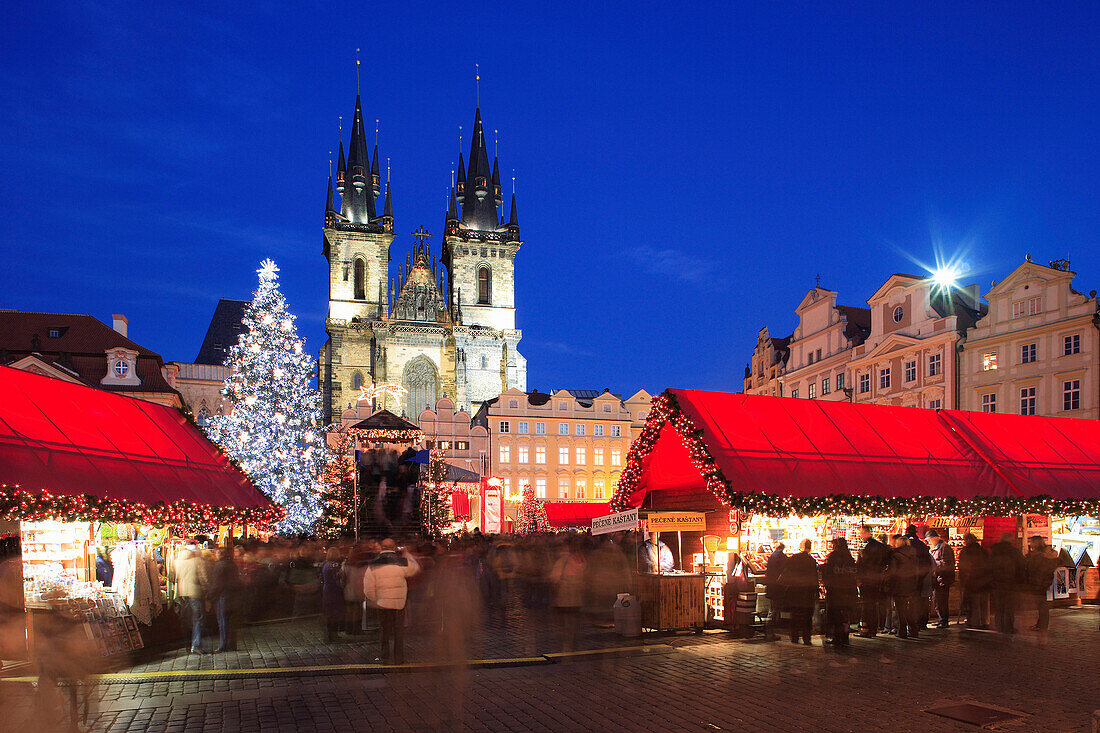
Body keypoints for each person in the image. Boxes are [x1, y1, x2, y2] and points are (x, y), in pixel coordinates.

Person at [363, 539, 421, 664]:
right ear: (394, 548)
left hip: (382, 602)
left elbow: (368, 586)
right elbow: (415, 568)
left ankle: (384, 656)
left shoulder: (374, 564)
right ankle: (398, 657)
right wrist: (406, 553)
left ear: (382, 548)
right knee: (398, 630)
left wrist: (374, 598)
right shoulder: (401, 561)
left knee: (384, 630)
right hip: (399, 602)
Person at [170, 541, 208, 654]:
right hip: (195, 593)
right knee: (198, 619)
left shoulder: (177, 561)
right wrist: (207, 590)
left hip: (182, 593)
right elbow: (204, 577)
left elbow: (173, 576)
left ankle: (186, 644)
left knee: (186, 619)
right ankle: (196, 644)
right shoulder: (197, 561)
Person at [778, 539, 818, 646]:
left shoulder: (794, 558)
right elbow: (815, 578)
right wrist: (816, 593)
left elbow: (785, 572)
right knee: (807, 616)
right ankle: (806, 638)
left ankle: (794, 637)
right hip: (808, 592)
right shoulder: (812, 561)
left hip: (795, 591)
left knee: (795, 615)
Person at [822, 537, 858, 647]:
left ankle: (836, 637)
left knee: (835, 615)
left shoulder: (832, 557)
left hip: (835, 591)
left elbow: (826, 573)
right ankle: (844, 637)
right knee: (845, 616)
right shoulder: (849, 558)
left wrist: (826, 586)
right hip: (848, 591)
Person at [856, 527, 889, 638]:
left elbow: (861, 564)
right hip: (877, 580)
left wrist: (859, 579)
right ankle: (873, 629)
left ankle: (866, 629)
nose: (860, 535)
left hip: (867, 581)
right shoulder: (881, 547)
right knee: (874, 605)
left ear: (867, 533)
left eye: (861, 533)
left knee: (867, 605)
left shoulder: (866, 547)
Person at [208, 546, 241, 652]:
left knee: (222, 621)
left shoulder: (219, 566)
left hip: (223, 596)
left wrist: (210, 596)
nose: (215, 555)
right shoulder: (232, 564)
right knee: (231, 622)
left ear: (220, 554)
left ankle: (223, 645)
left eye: (217, 553)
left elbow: (217, 584)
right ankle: (232, 644)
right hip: (233, 595)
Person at [990, 533, 1024, 634]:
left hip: (997, 584)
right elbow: (1021, 567)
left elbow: (989, 567)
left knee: (999, 607)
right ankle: (1008, 627)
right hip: (1010, 584)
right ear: (1011, 541)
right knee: (1009, 607)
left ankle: (999, 626)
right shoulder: (1014, 552)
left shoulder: (994, 552)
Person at [956, 533, 992, 629]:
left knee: (974, 602)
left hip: (973, 580)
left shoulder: (966, 551)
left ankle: (975, 621)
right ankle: (985, 620)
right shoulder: (983, 550)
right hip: (984, 580)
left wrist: (963, 578)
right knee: (984, 602)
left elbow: (963, 566)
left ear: (967, 540)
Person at [888, 534, 920, 639]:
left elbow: (892, 572)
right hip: (910, 584)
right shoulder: (913, 555)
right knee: (907, 608)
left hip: (899, 584)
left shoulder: (896, 556)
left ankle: (902, 630)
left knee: (900, 609)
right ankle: (913, 629)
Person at [1024, 535, 1059, 633]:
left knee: (1042, 605)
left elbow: (1040, 569)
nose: (1030, 544)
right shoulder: (1041, 554)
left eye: (1032, 542)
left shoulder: (1041, 555)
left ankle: (1042, 625)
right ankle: (1041, 624)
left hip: (1039, 582)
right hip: (1040, 582)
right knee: (1041, 604)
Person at [925, 530, 955, 628]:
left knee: (941, 601)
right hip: (938, 579)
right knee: (937, 600)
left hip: (942, 579)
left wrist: (935, 568)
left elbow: (947, 564)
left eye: (929, 540)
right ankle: (941, 619)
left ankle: (943, 621)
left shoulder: (944, 548)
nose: (929, 542)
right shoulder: (937, 548)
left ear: (935, 538)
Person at [907, 525, 934, 630]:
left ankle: (912, 623)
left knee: (912, 602)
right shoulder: (922, 545)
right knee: (922, 601)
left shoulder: (906, 544)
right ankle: (921, 622)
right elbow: (928, 562)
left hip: (911, 578)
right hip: (922, 577)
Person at [762, 543, 787, 641]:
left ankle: (769, 631)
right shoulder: (782, 557)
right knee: (774, 610)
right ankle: (769, 632)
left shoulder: (772, 556)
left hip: (771, 587)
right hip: (777, 588)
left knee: (772, 609)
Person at [320, 547, 346, 642]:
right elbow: (339, 577)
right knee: (334, 614)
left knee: (328, 614)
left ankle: (328, 635)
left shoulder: (325, 564)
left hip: (327, 590)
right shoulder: (335, 565)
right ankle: (333, 635)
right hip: (335, 590)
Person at [724, 552, 751, 637]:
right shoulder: (739, 565)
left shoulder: (738, 565)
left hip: (737, 588)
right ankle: (738, 625)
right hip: (739, 589)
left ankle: (737, 625)